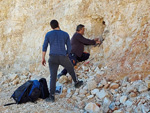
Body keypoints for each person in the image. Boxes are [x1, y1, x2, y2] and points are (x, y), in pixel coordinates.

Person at [42, 20, 83, 102]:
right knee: (71, 69)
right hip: (63, 57)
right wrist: (67, 54)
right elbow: (69, 46)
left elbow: (45, 46)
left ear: (51, 27)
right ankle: (76, 82)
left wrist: (43, 58)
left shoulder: (48, 34)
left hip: (52, 57)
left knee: (53, 77)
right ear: (58, 24)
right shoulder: (65, 34)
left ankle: (52, 96)